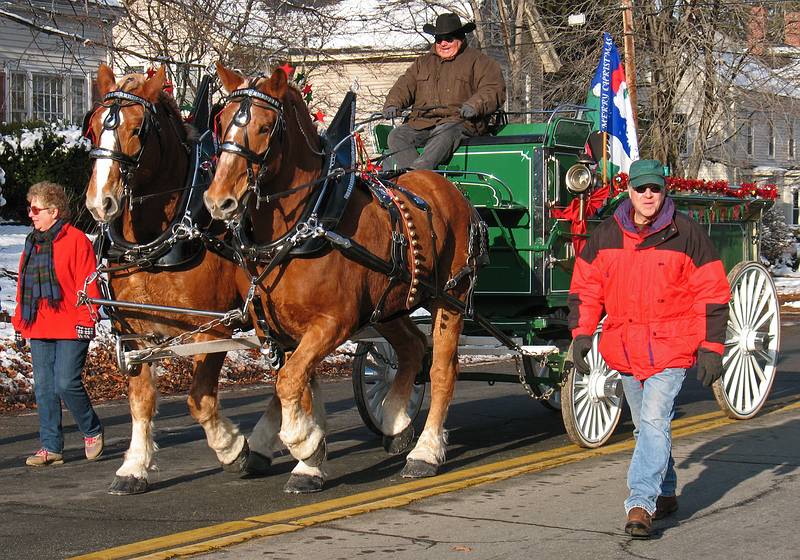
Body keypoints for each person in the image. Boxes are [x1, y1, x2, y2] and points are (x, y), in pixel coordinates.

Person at [567, 159, 730, 538]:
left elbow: (712, 292)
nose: (648, 195)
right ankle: (666, 490)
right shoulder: (606, 235)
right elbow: (586, 289)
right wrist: (581, 334)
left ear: (663, 190)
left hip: (672, 346)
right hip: (624, 347)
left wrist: (711, 348)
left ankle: (640, 502)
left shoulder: (686, 233)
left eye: (654, 188)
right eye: (641, 188)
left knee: (655, 422)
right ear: (629, 191)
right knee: (646, 427)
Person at [12, 181, 103, 467]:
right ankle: (51, 447)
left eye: (36, 208)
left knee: (66, 382)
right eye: (30, 208)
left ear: (54, 210)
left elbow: (88, 282)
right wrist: (19, 319)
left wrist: (87, 317)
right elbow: (23, 284)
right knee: (44, 388)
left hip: (71, 324)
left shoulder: (77, 240)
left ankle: (91, 429)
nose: (31, 214)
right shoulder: (33, 242)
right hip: (39, 323)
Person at [382, 12, 506, 170]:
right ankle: (415, 181)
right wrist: (393, 104)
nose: (443, 43)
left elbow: (492, 89)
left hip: (460, 123)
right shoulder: (422, 63)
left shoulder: (480, 61)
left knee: (445, 132)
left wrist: (475, 105)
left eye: (449, 39)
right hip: (422, 123)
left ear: (460, 38)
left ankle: (419, 176)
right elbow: (404, 85)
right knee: (396, 135)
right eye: (439, 39)